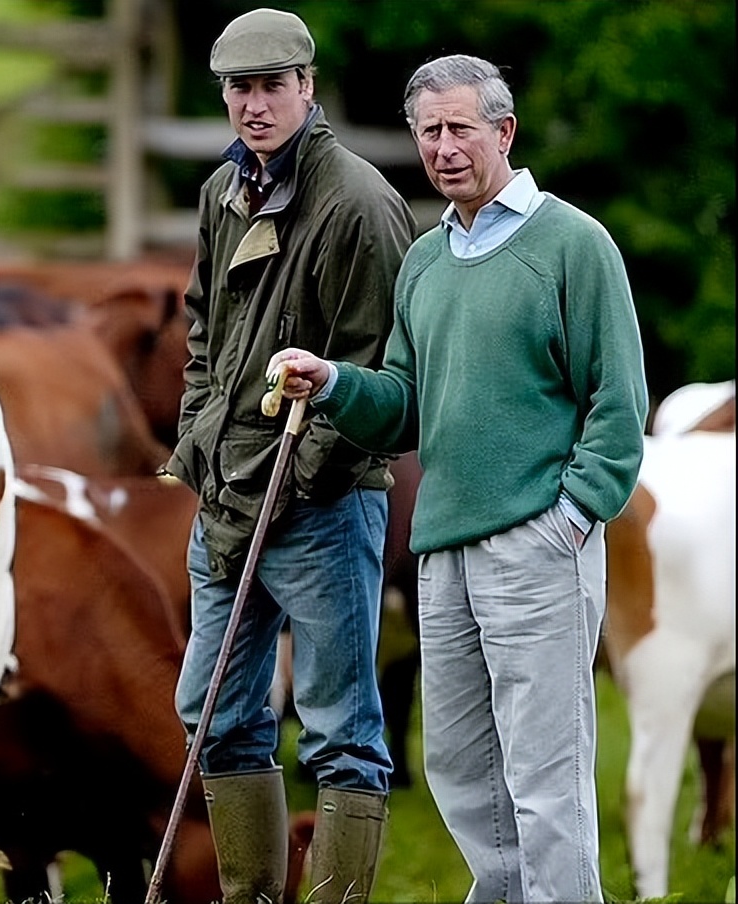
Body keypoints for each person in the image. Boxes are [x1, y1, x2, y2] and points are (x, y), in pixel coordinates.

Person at [268, 54, 648, 903]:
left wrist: (571, 517)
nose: (443, 148)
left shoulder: (572, 243)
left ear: (503, 132)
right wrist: (333, 383)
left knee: (547, 777)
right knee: (461, 770)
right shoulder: (426, 263)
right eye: (428, 131)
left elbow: (619, 406)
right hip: (442, 554)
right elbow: (404, 408)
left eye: (460, 129)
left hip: (539, 543)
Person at [161, 8, 416, 902]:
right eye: (240, 88)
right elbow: (202, 332)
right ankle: (253, 897)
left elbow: (383, 373)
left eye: (273, 86)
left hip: (326, 506)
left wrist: (299, 480)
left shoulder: (359, 203)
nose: (255, 105)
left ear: (307, 87)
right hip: (227, 495)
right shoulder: (220, 195)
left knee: (341, 730)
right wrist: (201, 434)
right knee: (215, 714)